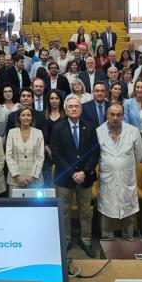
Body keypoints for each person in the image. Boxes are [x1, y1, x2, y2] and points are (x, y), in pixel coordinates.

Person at [50, 96, 99, 257]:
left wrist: (84, 172)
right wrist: (72, 173)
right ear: (65, 109)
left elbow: (94, 153)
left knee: (86, 212)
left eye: (76, 106)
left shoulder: (90, 127)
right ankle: (65, 240)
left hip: (85, 178)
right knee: (63, 212)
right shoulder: (58, 127)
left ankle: (86, 241)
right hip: (65, 178)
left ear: (81, 108)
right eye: (70, 106)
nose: (73, 109)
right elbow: (56, 154)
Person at [97, 102, 142, 241]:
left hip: (126, 176)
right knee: (106, 207)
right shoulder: (99, 131)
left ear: (123, 116)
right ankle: (106, 238)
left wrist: (124, 166)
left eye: (119, 115)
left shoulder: (133, 131)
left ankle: (128, 237)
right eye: (112, 114)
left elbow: (139, 153)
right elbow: (96, 154)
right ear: (107, 115)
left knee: (128, 207)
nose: (115, 118)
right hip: (107, 178)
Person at [5, 106, 44, 194]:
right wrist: (17, 176)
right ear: (19, 117)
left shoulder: (38, 133)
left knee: (34, 207)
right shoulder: (12, 132)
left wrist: (33, 176)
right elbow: (8, 156)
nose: (26, 117)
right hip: (15, 180)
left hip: (35, 180)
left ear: (32, 118)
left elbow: (41, 156)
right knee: (16, 207)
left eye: (28, 115)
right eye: (23, 115)